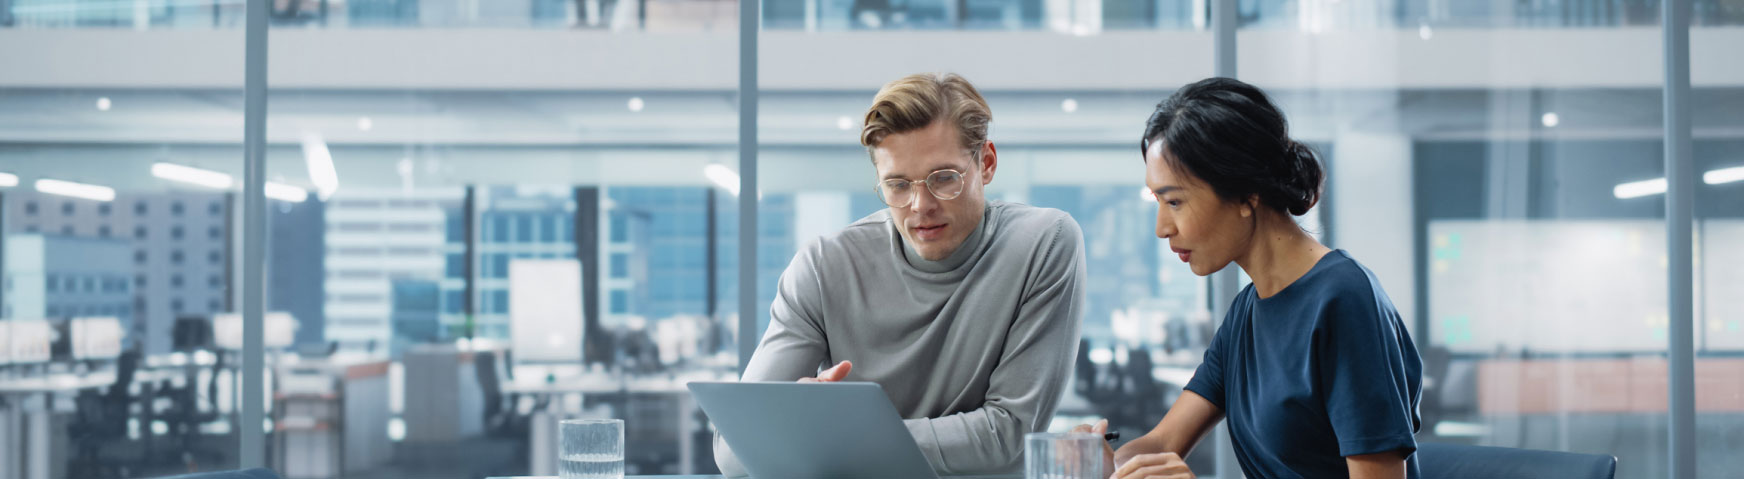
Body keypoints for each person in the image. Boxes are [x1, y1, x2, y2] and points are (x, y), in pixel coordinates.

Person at [712, 72, 1088, 476]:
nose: (920, 205)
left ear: (987, 163)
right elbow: (734, 449)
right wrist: (806, 428)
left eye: (944, 178)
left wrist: (827, 437)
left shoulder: (1044, 243)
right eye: (897, 185)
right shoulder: (823, 266)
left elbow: (1008, 435)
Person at [1076, 77, 1423, 479]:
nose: (1162, 228)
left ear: (1245, 194)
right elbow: (1161, 443)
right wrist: (1100, 461)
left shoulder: (1344, 299)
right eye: (1158, 202)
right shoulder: (1248, 311)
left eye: (1175, 201)